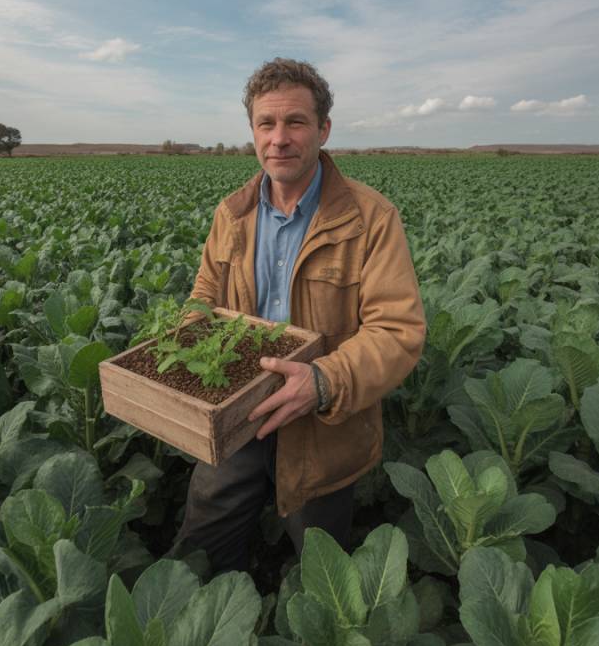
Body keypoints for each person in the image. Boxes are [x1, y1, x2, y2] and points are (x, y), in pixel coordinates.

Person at [173, 57, 425, 573]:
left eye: (295, 122)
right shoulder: (232, 214)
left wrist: (323, 380)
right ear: (252, 131)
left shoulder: (371, 218)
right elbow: (203, 295)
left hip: (323, 430)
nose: (279, 139)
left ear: (323, 129)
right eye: (266, 124)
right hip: (235, 414)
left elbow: (397, 331)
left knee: (321, 567)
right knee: (201, 548)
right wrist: (182, 346)